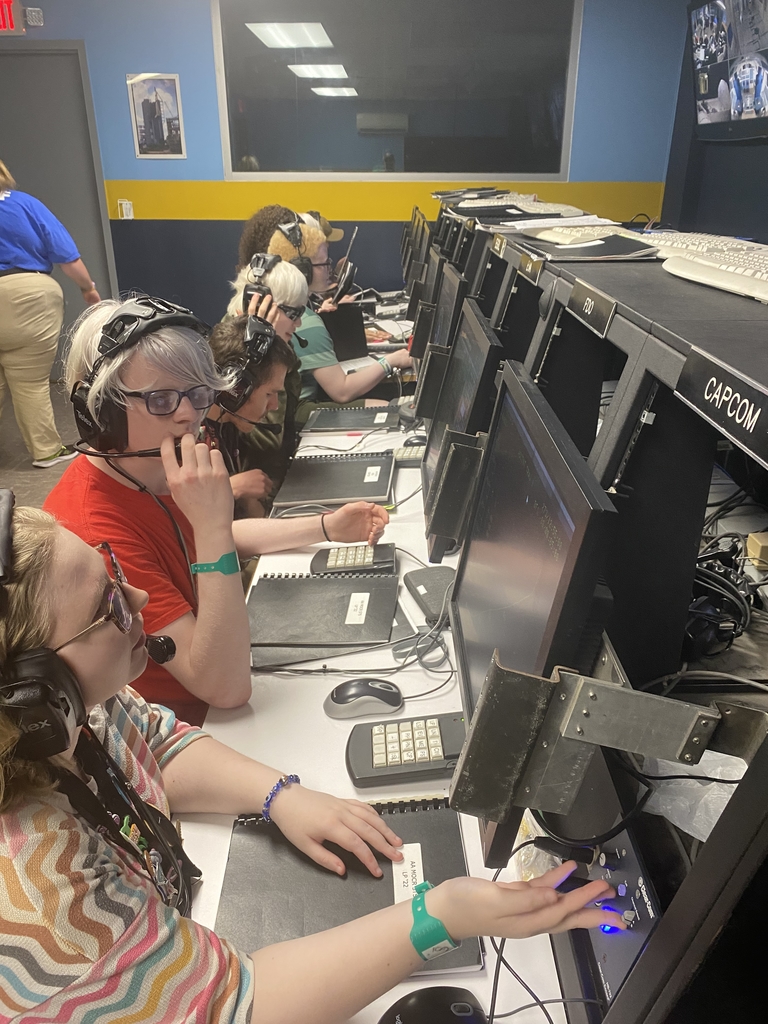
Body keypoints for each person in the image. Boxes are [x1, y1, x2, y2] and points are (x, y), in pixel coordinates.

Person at [0, 501, 624, 1023]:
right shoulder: (41, 891)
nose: (135, 593)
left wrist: (281, 795)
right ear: (31, 692)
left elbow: (153, 745)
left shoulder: (77, 710)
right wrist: (439, 917)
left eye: (111, 569)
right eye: (107, 606)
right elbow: (234, 1006)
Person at [43, 296, 389, 726]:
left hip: (223, 671)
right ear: (102, 412)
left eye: (197, 393)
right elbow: (224, 687)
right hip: (194, 723)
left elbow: (205, 542)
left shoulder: (147, 465)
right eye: (162, 399)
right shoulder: (94, 531)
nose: (189, 415)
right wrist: (211, 524)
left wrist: (325, 526)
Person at [0, 158, 101, 468]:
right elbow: (67, 257)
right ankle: (46, 451)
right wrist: (88, 289)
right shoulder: (22, 204)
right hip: (28, 296)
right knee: (29, 382)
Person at [266, 218, 414, 405]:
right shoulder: (304, 320)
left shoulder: (284, 306)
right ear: (302, 271)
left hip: (301, 407)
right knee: (390, 407)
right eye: (323, 264)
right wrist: (392, 360)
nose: (329, 268)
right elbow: (342, 391)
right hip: (303, 414)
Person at [205, 303, 296, 517]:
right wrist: (232, 488)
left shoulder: (227, 424)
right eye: (269, 394)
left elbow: (253, 514)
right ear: (237, 388)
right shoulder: (187, 437)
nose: (274, 405)